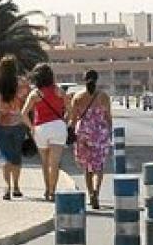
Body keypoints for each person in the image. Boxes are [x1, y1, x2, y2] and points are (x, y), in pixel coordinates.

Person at [22, 63, 70, 201]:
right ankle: (53, 191)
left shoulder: (35, 94)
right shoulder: (59, 91)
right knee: (54, 163)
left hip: (41, 129)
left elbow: (23, 114)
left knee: (45, 162)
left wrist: (31, 127)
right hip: (58, 127)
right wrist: (64, 122)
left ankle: (47, 189)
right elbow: (70, 109)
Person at [0, 55, 30, 200]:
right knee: (16, 155)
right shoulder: (22, 83)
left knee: (4, 155)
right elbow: (27, 103)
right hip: (18, 124)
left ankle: (7, 187)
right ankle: (16, 186)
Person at [69, 69, 113, 209]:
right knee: (98, 166)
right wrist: (109, 131)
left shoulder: (77, 97)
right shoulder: (104, 97)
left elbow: (73, 119)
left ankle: (90, 194)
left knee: (87, 167)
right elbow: (108, 117)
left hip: (83, 133)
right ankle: (96, 192)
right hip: (99, 133)